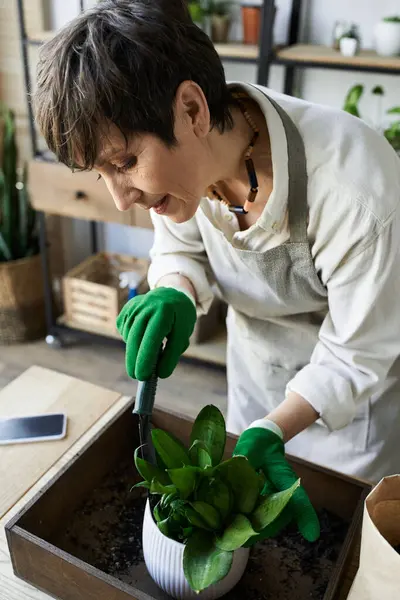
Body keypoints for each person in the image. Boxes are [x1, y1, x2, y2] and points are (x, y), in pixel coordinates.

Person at [33, 0, 400, 543]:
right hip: (254, 383)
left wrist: (278, 428)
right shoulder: (188, 174)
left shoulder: (356, 189)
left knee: (340, 547)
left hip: (348, 421)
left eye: (125, 163)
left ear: (192, 109)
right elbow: (181, 248)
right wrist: (176, 291)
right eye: (101, 173)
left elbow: (358, 351)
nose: (120, 199)